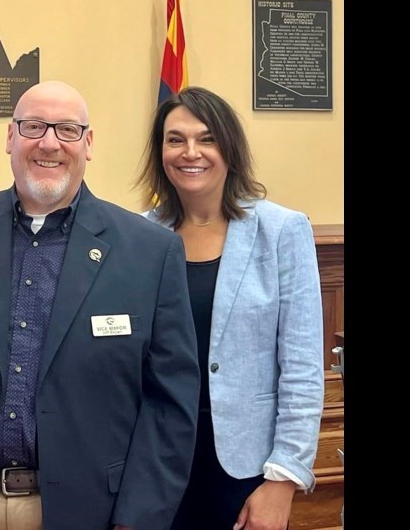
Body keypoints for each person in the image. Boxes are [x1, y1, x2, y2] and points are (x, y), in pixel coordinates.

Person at [0, 80, 200, 530]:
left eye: (67, 129)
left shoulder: (149, 251)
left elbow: (171, 401)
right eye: (33, 127)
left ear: (88, 144)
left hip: (87, 511)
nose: (49, 142)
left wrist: (139, 517)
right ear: (10, 138)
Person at [137, 86, 324, 530]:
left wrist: (283, 480)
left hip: (248, 470)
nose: (190, 152)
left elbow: (302, 367)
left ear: (230, 148)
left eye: (207, 139)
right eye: (175, 139)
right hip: (158, 463)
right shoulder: (141, 235)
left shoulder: (282, 231)